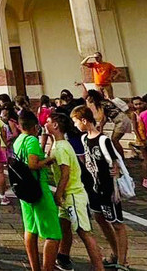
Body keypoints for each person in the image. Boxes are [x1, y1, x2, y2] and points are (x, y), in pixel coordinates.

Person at [71, 105, 130, 270]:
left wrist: (116, 171)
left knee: (117, 223)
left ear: (84, 120)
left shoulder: (103, 140)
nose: (75, 125)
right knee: (100, 218)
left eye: (76, 121)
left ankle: (122, 261)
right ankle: (115, 253)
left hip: (108, 188)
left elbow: (115, 160)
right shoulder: (84, 139)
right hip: (94, 187)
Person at [44, 112, 104, 271]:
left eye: (48, 121)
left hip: (73, 194)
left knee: (84, 232)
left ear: (55, 125)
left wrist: (58, 194)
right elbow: (50, 160)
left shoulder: (63, 146)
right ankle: (63, 256)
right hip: (67, 195)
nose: (45, 123)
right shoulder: (58, 144)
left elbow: (65, 173)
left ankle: (99, 267)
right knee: (64, 226)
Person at [13, 110, 61, 271]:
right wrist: (49, 159)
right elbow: (33, 164)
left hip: (24, 190)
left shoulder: (18, 140)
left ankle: (35, 267)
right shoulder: (32, 140)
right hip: (38, 188)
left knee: (30, 228)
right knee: (53, 233)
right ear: (34, 127)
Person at [78, 85, 132, 158]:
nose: (87, 99)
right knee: (114, 140)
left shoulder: (102, 104)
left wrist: (101, 128)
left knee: (114, 140)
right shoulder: (103, 102)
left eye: (88, 97)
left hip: (121, 120)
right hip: (120, 120)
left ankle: (121, 157)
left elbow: (103, 118)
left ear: (92, 97)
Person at [128, 96, 147, 190]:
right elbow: (135, 128)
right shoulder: (134, 114)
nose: (138, 106)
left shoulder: (146, 112)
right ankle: (145, 179)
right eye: (136, 104)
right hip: (141, 138)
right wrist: (140, 139)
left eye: (140, 103)